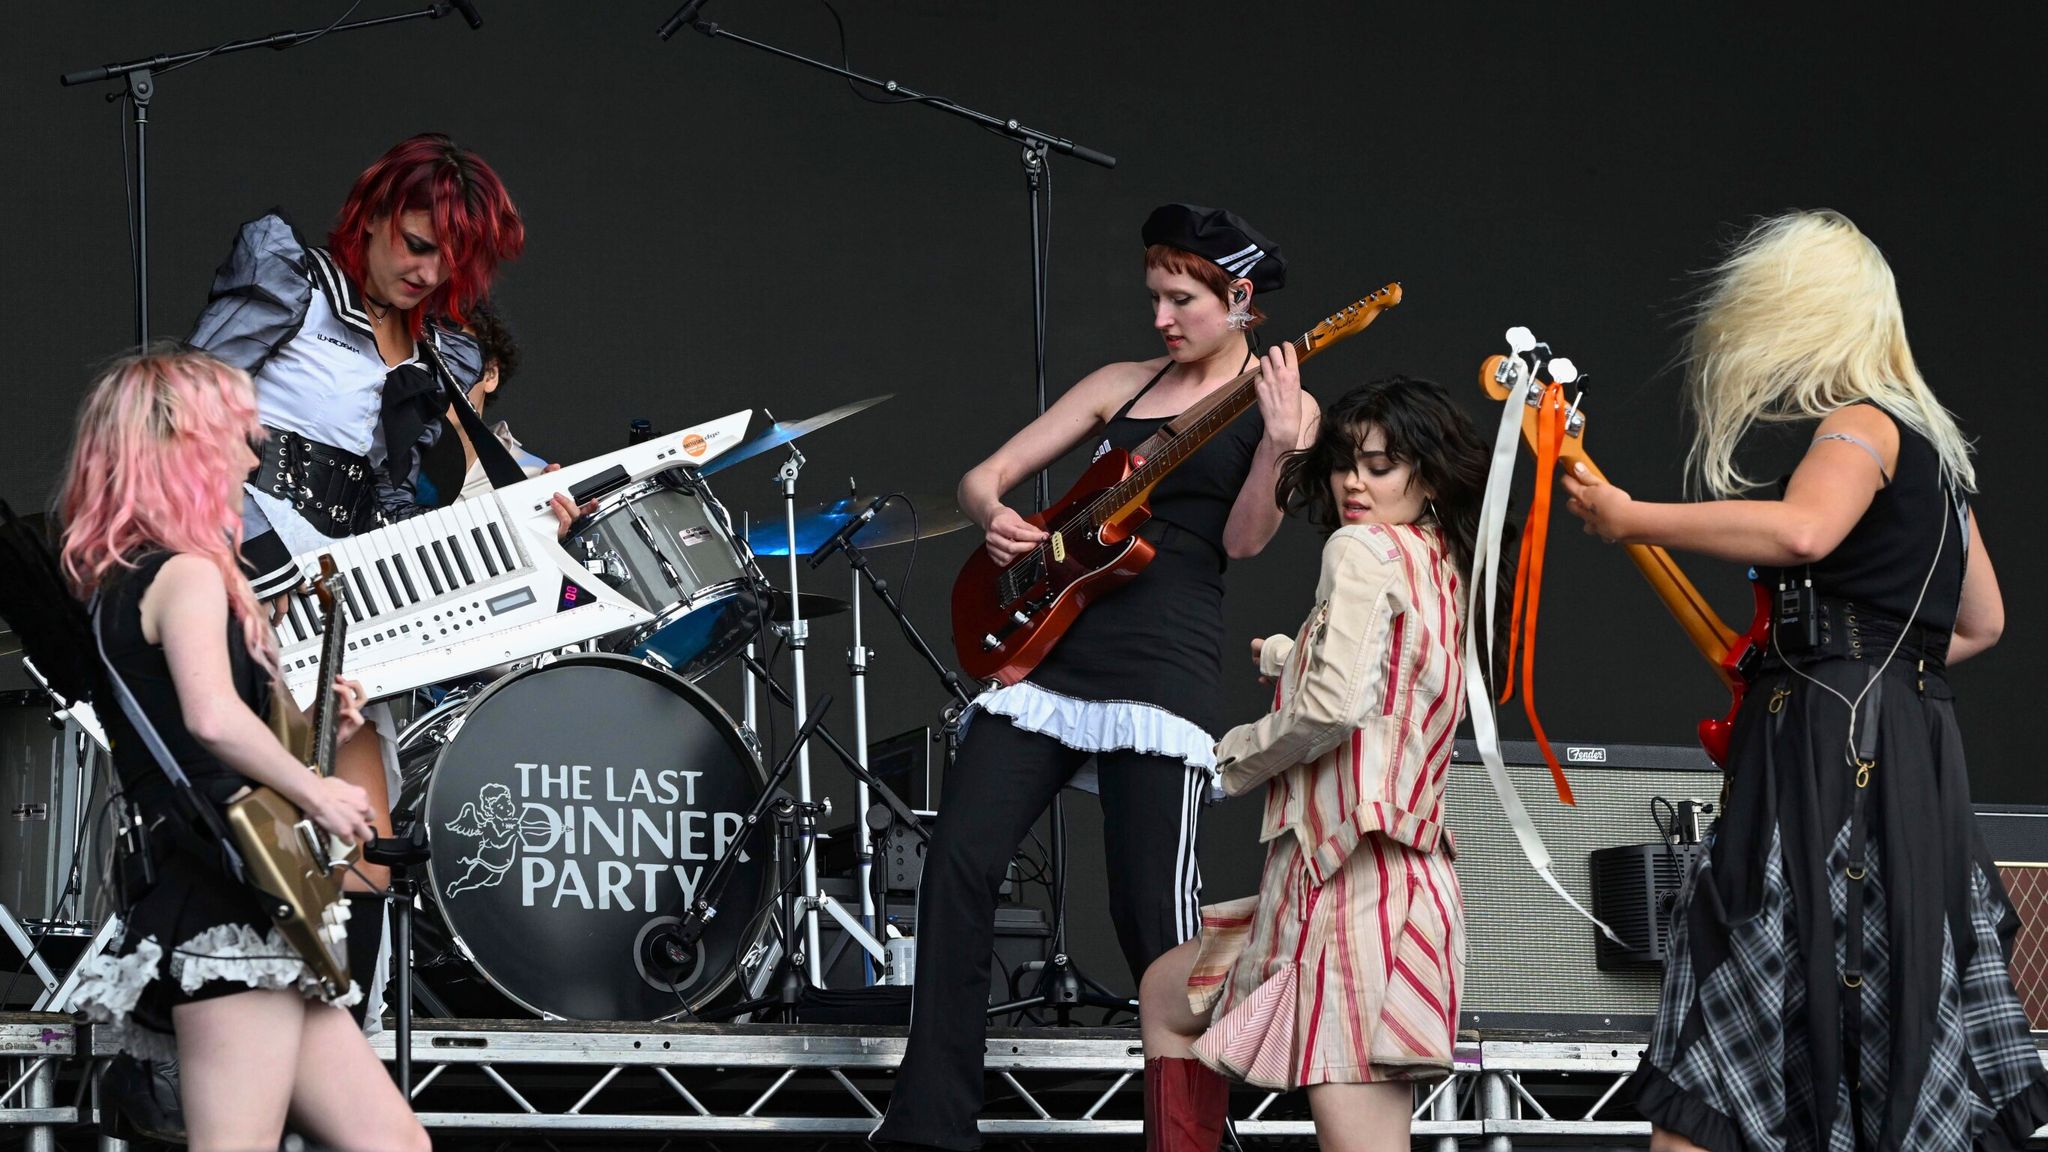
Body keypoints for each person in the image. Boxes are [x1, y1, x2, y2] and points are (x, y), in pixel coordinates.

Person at [1562, 210, 2048, 1150]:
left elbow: (1801, 533)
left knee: (1749, 980)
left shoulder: (1862, 424)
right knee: (1880, 999)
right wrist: (1871, 667)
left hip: (1829, 752)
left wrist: (1631, 518)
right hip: (1908, 751)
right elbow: (1982, 623)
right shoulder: (1936, 456)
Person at [871, 203, 1319, 1150]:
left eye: (1182, 298)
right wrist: (995, 514)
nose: (1161, 315)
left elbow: (1243, 540)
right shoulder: (1121, 383)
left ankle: (1194, 1136)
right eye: (1156, 295)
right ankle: (930, 1125)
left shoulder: (1284, 406)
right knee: (960, 860)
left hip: (1163, 662)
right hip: (1051, 647)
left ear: (1239, 300)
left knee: (1151, 909)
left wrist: (1279, 446)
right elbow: (981, 477)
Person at [185, 133, 582, 1024]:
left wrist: (519, 525)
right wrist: (248, 555)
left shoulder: (441, 352)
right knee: (252, 831)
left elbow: (399, 505)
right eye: (416, 242)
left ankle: (340, 1051)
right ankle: (232, 1042)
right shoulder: (292, 280)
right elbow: (182, 417)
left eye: (452, 256)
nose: (428, 268)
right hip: (245, 576)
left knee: (364, 839)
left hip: (352, 606)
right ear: (368, 221)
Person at [61, 348, 430, 1152]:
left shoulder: (130, 585)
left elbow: (208, 734)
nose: (253, 456)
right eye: (237, 435)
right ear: (185, 445)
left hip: (245, 905)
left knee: (396, 1145)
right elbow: (212, 722)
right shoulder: (189, 574)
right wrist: (315, 787)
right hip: (228, 902)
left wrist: (313, 737)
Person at [1137, 377, 1493, 1152]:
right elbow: (1397, 676)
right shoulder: (1445, 563)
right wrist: (1287, 654)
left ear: (1426, 475)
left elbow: (1335, 707)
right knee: (1168, 992)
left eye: (1380, 466)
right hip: (1374, 881)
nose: (1352, 483)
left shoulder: (1358, 547)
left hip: (1353, 887)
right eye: (1343, 464)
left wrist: (1233, 753)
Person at [414, 298, 549, 508]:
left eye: (454, 363)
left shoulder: (534, 482)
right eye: (420, 363)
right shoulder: (364, 471)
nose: (435, 383)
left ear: (489, 374)